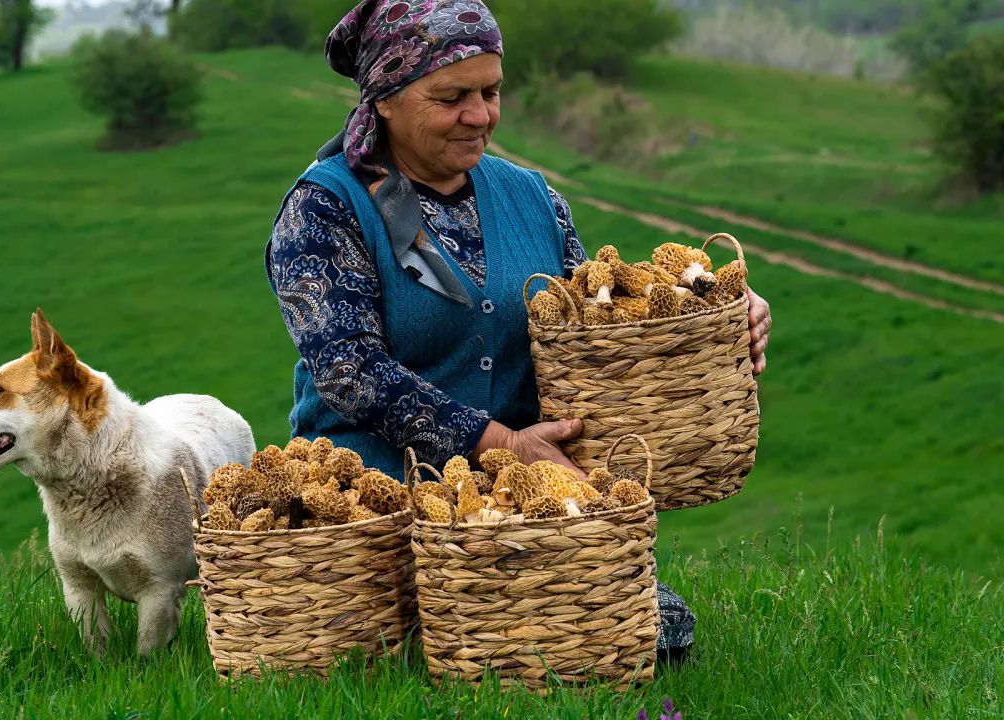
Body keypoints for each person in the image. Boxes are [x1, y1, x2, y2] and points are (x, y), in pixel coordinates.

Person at [266, 0, 772, 666]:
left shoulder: (531, 196)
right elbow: (349, 371)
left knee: (658, 633)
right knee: (410, 646)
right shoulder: (326, 207)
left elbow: (594, 322)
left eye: (491, 92)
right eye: (451, 97)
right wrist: (500, 442)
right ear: (385, 99)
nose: (479, 116)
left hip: (517, 502)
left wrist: (709, 310)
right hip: (371, 510)